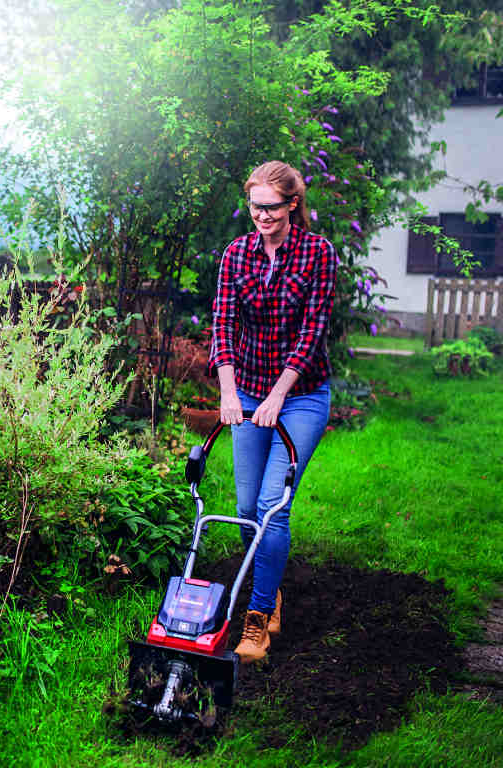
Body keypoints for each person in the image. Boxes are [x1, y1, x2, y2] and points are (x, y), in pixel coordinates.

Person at [208, 161, 335, 664]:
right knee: (243, 510)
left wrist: (280, 394)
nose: (262, 215)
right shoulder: (236, 254)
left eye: (272, 207)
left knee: (270, 508)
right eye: (255, 207)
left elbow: (312, 331)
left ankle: (258, 619)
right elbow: (221, 324)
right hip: (249, 392)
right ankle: (271, 584)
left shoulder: (317, 253)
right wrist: (229, 392)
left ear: (292, 205)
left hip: (301, 396)